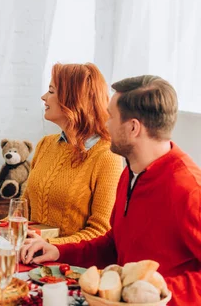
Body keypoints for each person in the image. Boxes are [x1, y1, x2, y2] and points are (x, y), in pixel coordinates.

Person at [21, 75, 201, 305]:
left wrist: (155, 292)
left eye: (111, 117)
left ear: (133, 127)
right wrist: (59, 251)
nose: (105, 125)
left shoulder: (188, 188)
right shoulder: (130, 172)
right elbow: (113, 245)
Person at [0, 63, 123, 244]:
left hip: (71, 266)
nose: (44, 97)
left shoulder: (107, 156)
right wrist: (0, 226)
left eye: (51, 91)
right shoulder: (45, 144)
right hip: (32, 256)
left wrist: (49, 245)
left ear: (73, 99)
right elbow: (25, 210)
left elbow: (100, 232)